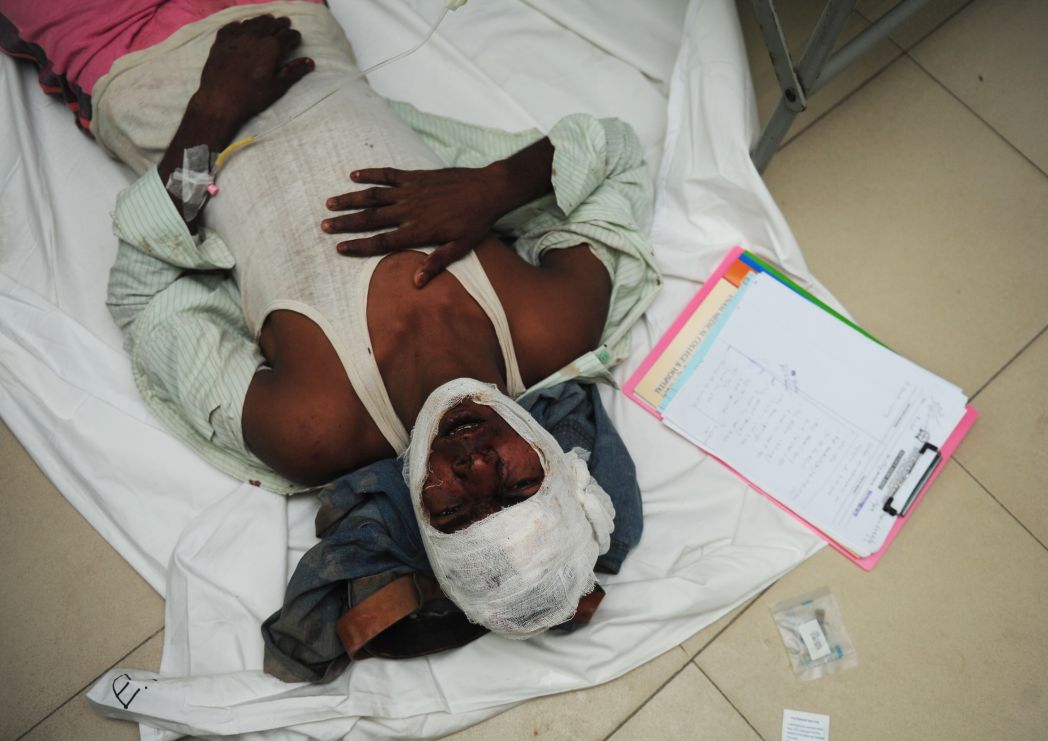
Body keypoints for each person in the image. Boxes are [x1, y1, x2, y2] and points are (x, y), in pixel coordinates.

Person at [3, 1, 660, 640]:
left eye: (457, 508)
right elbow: (612, 154)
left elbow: (142, 294)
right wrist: (493, 186)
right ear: (557, 462)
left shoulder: (312, 427)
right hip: (290, 21)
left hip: (131, 63)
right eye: (518, 484)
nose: (476, 465)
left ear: (420, 518)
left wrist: (209, 116)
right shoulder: (551, 323)